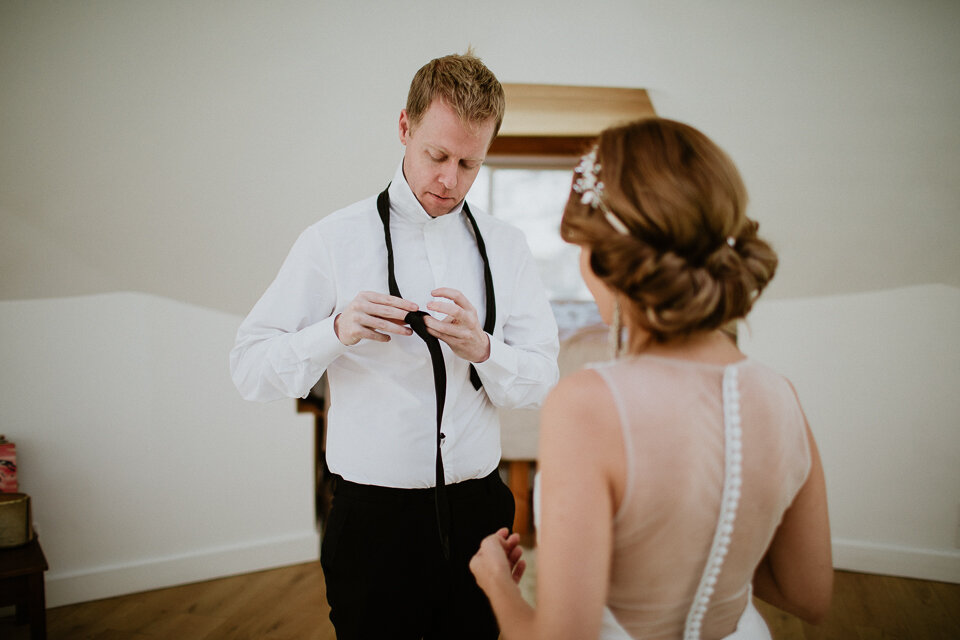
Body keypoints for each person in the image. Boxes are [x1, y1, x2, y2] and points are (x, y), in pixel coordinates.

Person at [230, 51, 559, 639]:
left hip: (480, 514)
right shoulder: (331, 240)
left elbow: (542, 379)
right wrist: (336, 331)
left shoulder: (507, 247)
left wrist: (483, 348)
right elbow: (249, 368)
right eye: (437, 155)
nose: (449, 180)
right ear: (405, 127)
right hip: (372, 518)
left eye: (469, 163)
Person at [469, 118, 833, 640]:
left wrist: (495, 579)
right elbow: (809, 594)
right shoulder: (781, 397)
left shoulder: (586, 406)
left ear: (603, 258)